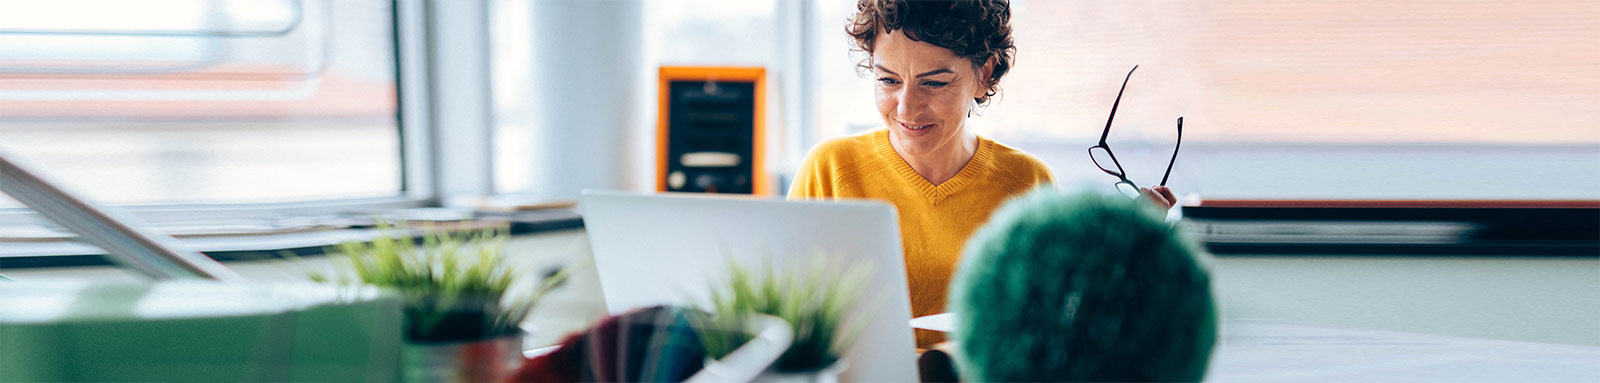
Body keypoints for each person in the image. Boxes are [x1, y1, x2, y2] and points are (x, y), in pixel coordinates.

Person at [788, 0, 1178, 347]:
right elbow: (785, 319)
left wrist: (1128, 247)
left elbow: (1058, 332)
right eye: (888, 80)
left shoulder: (1027, 184)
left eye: (934, 83)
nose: (906, 108)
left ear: (985, 74)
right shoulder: (831, 170)